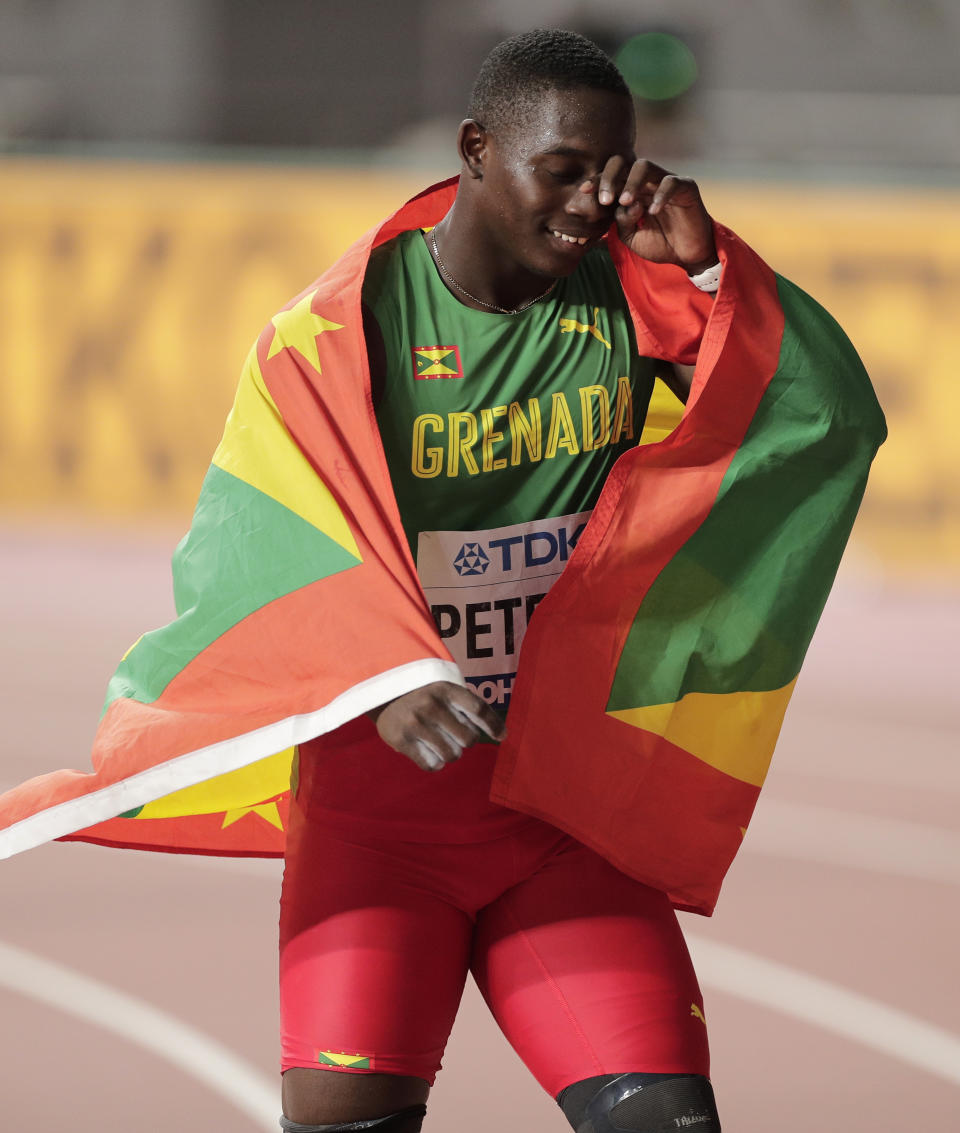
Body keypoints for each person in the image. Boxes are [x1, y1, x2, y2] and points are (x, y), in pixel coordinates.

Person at [278, 29, 723, 1133]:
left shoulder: (631, 297)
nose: (589, 204)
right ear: (478, 148)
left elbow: (792, 430)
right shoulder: (347, 325)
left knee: (666, 1120)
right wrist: (384, 668)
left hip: (562, 809)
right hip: (380, 822)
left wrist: (706, 273)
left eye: (610, 173)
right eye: (562, 170)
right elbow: (270, 535)